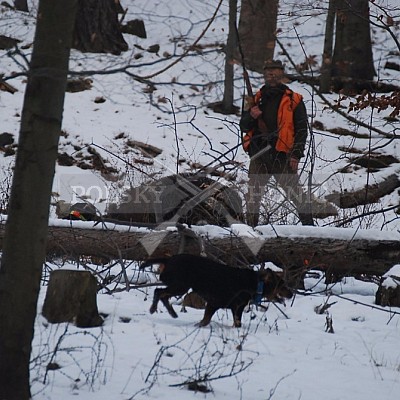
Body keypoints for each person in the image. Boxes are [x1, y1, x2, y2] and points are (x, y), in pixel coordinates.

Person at [240, 59, 314, 227]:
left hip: (282, 154)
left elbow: (302, 130)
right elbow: (243, 126)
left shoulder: (294, 100)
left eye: (275, 72)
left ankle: (310, 229)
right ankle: (251, 231)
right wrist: (251, 115)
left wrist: (296, 155)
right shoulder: (255, 99)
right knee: (253, 197)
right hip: (259, 153)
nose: (271, 75)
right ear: (264, 75)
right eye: (268, 72)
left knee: (296, 194)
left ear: (282, 74)